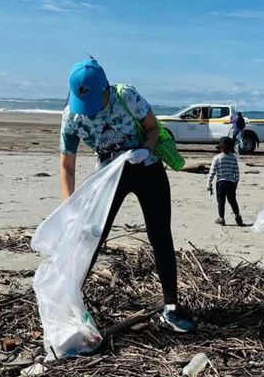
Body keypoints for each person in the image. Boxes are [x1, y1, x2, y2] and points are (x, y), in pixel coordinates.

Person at [58, 58, 194, 332]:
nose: (91, 113)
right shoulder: (72, 116)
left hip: (146, 168)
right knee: (92, 237)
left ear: (106, 89)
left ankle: (171, 308)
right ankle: (71, 305)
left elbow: (154, 128)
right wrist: (69, 206)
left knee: (160, 235)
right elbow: (66, 165)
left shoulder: (126, 96)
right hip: (109, 177)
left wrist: (145, 148)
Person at [207, 136, 243, 226]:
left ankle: (221, 219)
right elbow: (236, 172)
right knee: (232, 200)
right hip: (231, 183)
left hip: (221, 183)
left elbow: (212, 172)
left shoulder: (217, 158)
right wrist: (236, 183)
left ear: (221, 148)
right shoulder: (233, 158)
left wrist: (209, 183)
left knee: (221, 201)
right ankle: (238, 216)